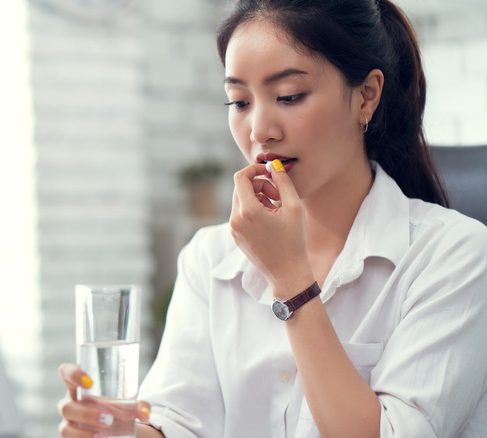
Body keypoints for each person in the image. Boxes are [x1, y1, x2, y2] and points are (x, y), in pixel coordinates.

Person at [58, 0, 487, 436]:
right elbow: (178, 422)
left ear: (367, 95)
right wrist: (117, 430)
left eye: (289, 96)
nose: (260, 130)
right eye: (239, 102)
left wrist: (292, 283)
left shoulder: (455, 256)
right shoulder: (211, 257)